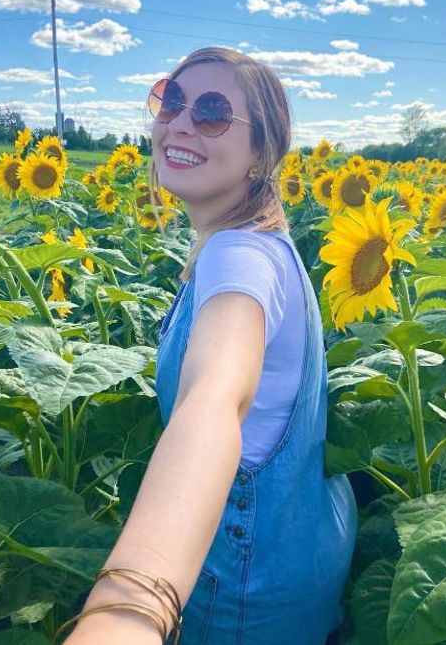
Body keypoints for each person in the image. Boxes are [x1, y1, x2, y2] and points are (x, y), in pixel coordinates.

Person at [60, 47, 357, 645]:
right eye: (172, 100)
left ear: (260, 155)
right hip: (296, 558)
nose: (183, 122)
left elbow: (215, 401)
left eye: (215, 112)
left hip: (240, 593)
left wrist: (130, 607)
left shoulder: (238, 255)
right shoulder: (263, 243)